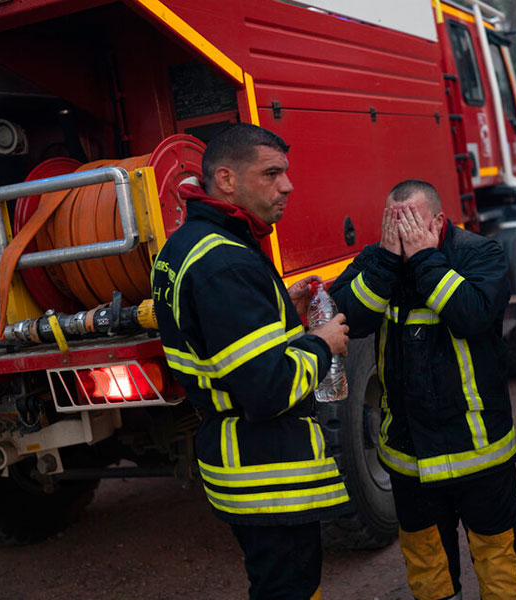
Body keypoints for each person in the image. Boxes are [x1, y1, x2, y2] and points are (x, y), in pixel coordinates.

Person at [151, 123, 351, 600]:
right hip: (269, 471)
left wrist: (284, 309)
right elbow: (267, 389)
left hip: (239, 463)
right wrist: (323, 342)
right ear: (226, 179)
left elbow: (219, 338)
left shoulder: (187, 244)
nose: (288, 185)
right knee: (288, 587)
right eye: (272, 173)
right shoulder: (227, 262)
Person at [328, 179, 516, 600]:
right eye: (393, 220)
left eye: (412, 220)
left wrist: (424, 258)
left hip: (478, 451)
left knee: (500, 564)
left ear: (439, 220)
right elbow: (343, 317)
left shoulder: (479, 253)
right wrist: (386, 262)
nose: (402, 231)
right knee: (428, 568)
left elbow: (472, 316)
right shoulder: (379, 260)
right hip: (409, 457)